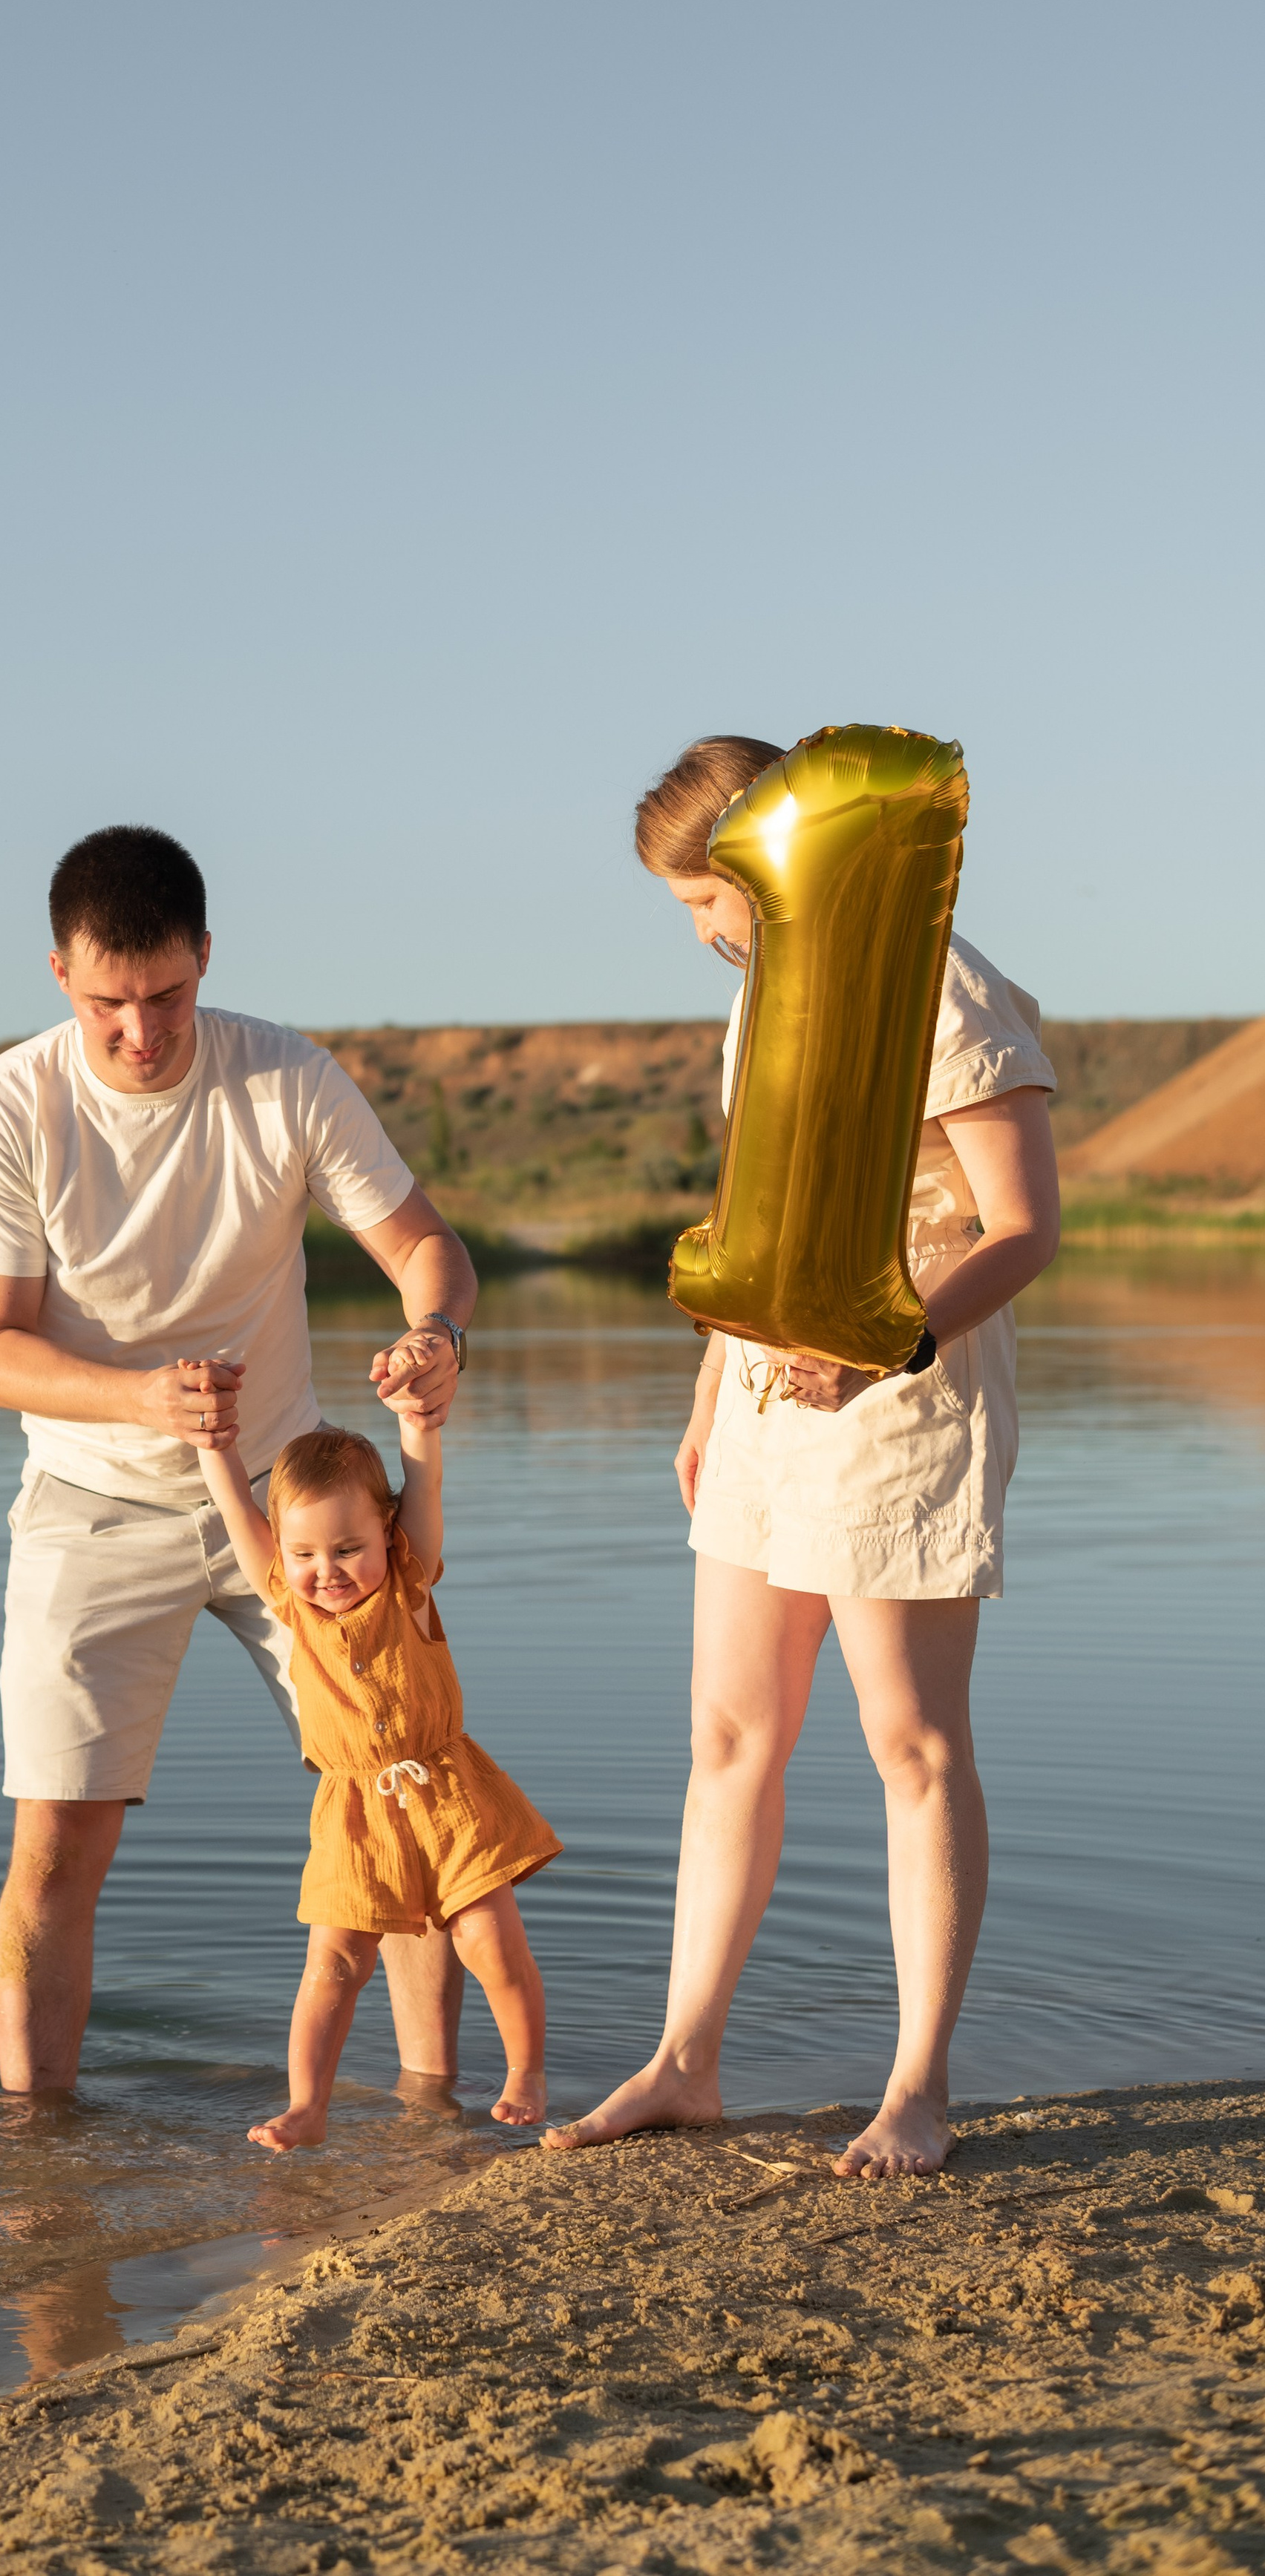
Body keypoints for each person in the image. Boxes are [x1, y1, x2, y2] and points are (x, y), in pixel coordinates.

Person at [546, 735, 1061, 2180]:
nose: (699, 932)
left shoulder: (945, 988)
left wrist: (875, 1349)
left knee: (908, 1745)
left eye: (700, 899)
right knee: (726, 1737)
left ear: (779, 866)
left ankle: (915, 2091)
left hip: (903, 1408)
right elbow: (752, 1223)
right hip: (768, 1412)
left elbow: (1021, 1229)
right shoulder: (755, 1009)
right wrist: (711, 1396)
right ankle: (683, 2061)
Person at [0, 823, 479, 2094]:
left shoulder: (283, 1079)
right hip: (93, 1504)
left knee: (400, 1791)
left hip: (302, 1511)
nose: (143, 1030)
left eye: (169, 996)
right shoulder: (8, 1111)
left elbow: (422, 1244)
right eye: (111, 1002)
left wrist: (435, 1332)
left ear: (206, 959)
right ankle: (39, 2148)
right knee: (57, 1852)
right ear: (61, 972)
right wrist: (140, 1400)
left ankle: (428, 2131)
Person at [195, 1415, 561, 2149]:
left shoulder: (408, 1582)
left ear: (386, 1534)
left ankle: (526, 2071)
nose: (325, 1570)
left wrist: (418, 1424)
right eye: (302, 1552)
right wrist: (215, 1445)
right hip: (354, 1809)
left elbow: (423, 1483)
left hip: (448, 1793)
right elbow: (236, 1507)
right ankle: (307, 2105)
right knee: (333, 1962)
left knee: (487, 1937)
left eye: (347, 1548)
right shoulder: (287, 1601)